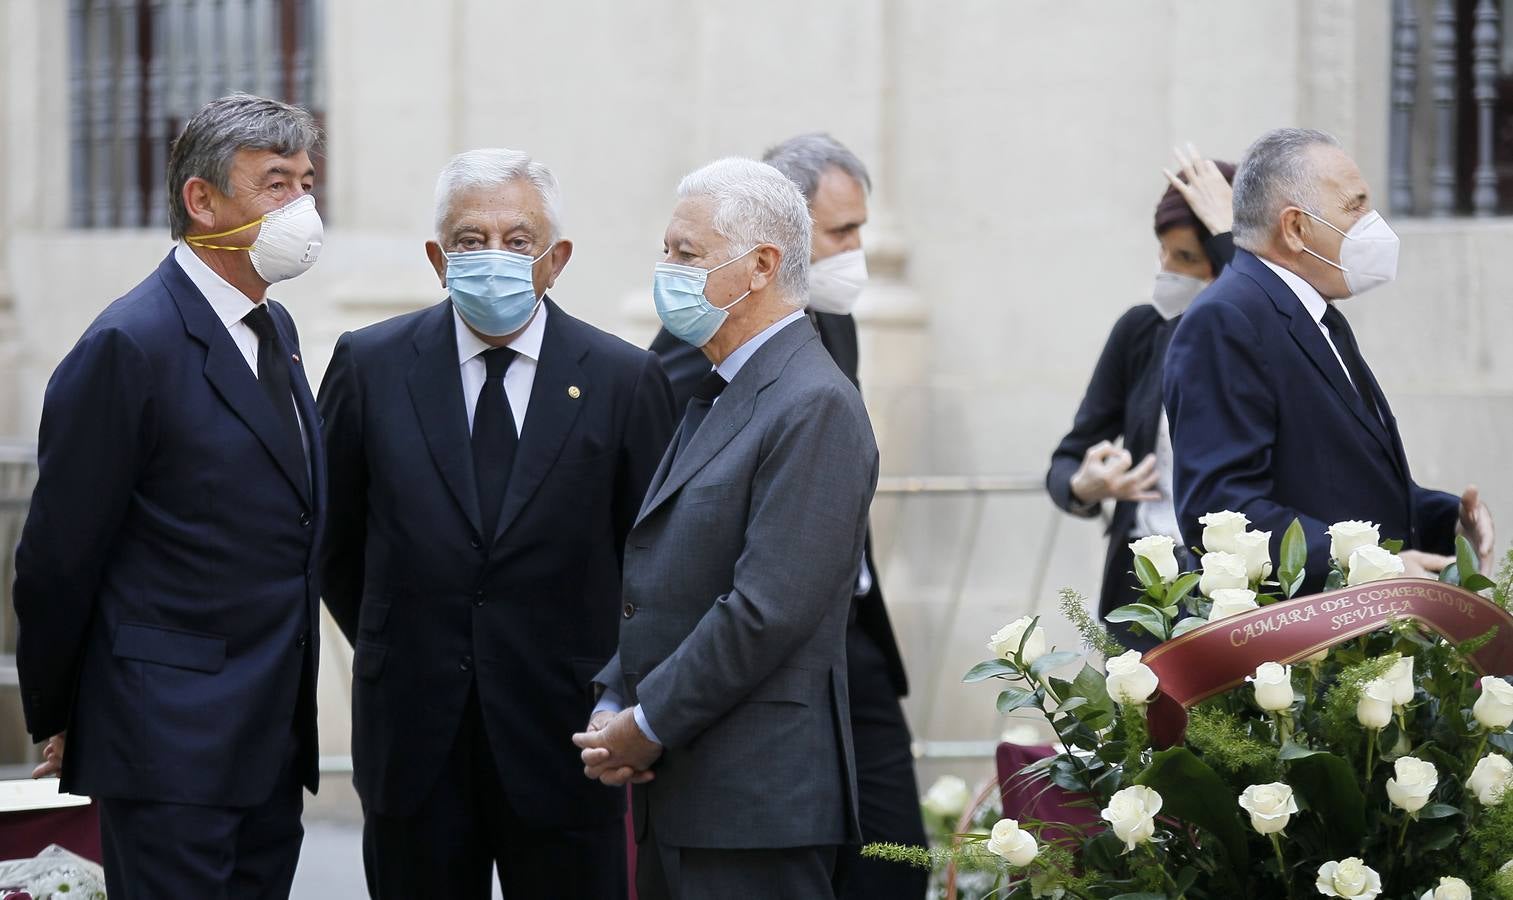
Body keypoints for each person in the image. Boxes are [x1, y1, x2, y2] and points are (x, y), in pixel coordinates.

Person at [317, 148, 675, 899]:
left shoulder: (622, 378)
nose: (494, 258)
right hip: (413, 736)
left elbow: (652, 562)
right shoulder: (369, 365)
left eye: (518, 240)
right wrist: (399, 639)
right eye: (470, 240)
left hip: (567, 737)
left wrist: (624, 693)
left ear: (556, 259)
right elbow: (334, 541)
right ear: (437, 258)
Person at [12, 93, 326, 899]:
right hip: (167, 744)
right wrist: (58, 710)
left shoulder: (273, 328)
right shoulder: (130, 343)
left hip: (267, 742)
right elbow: (58, 554)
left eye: (305, 181)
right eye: (276, 184)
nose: (301, 206)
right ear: (202, 199)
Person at [574, 157, 877, 898]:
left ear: (760, 267)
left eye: (685, 254)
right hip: (684, 792)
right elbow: (671, 576)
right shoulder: (724, 389)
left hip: (754, 807)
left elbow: (765, 609)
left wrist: (647, 722)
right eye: (665, 250)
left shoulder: (813, 404)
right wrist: (616, 698)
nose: (665, 270)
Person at [650, 132, 924, 898]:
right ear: (781, 238)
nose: (854, 252)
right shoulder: (698, 345)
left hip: (851, 638)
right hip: (762, 654)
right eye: (839, 232)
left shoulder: (831, 322)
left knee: (896, 855)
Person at [1164, 127, 1495, 591]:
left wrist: (1447, 522)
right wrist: (1368, 567)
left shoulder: (1313, 311)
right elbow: (1221, 514)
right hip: (1305, 647)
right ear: (1296, 228)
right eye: (1354, 205)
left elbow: (1340, 483)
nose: (1370, 221)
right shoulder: (1227, 319)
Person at [1046, 149, 1235, 642]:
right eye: (1163, 252)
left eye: (1187, 257)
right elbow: (1067, 460)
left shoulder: (1263, 344)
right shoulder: (1141, 331)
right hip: (1142, 579)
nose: (1167, 270)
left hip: (1237, 587)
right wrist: (1088, 486)